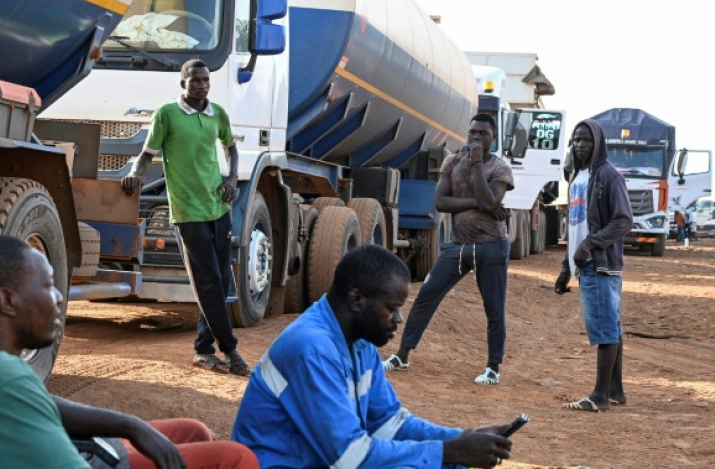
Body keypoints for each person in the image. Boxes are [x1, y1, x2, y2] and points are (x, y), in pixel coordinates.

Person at [0, 235, 258, 469]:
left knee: (190, 433)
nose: (59, 297)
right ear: (6, 300)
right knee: (236, 459)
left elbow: (37, 405)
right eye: (48, 286)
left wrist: (130, 425)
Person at [232, 245, 514, 469]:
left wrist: (462, 440)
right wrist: (449, 451)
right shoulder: (312, 348)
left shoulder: (360, 341)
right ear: (356, 300)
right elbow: (350, 458)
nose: (399, 319)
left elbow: (389, 423)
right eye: (392, 308)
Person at [121, 59, 249, 376]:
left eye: (206, 80)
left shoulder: (217, 113)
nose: (202, 85)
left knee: (217, 283)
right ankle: (230, 349)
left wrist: (232, 178)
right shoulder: (167, 114)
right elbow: (146, 155)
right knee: (206, 282)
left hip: (218, 207)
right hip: (188, 211)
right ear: (183, 84)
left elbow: (231, 148)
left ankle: (204, 350)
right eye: (195, 81)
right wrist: (133, 176)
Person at [384, 113, 514, 385]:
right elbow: (442, 202)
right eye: (473, 133)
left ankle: (493, 367)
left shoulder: (500, 168)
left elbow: (489, 200)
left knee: (493, 309)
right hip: (458, 245)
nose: (476, 138)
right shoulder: (451, 161)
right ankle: (402, 356)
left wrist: (478, 164)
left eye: (483, 134)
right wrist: (480, 204)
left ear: (493, 138)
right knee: (426, 295)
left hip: (491, 247)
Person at [553, 119, 632, 412]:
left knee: (604, 329)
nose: (581, 145)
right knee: (611, 325)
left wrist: (589, 246)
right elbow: (575, 228)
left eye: (587, 140)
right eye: (576, 140)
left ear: (598, 142)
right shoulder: (577, 178)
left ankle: (599, 396)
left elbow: (623, 220)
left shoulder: (608, 176)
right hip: (584, 265)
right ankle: (615, 390)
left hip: (600, 265)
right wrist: (565, 268)